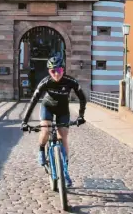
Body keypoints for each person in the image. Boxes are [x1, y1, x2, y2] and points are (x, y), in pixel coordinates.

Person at [21, 53, 87, 187]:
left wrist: (81, 116)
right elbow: (33, 101)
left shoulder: (70, 81)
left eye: (59, 70)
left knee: (63, 136)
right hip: (48, 107)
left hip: (63, 110)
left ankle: (65, 171)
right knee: (45, 130)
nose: (56, 74)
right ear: (49, 72)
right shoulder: (45, 82)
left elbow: (82, 98)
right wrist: (25, 121)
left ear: (63, 69)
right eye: (53, 71)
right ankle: (41, 150)